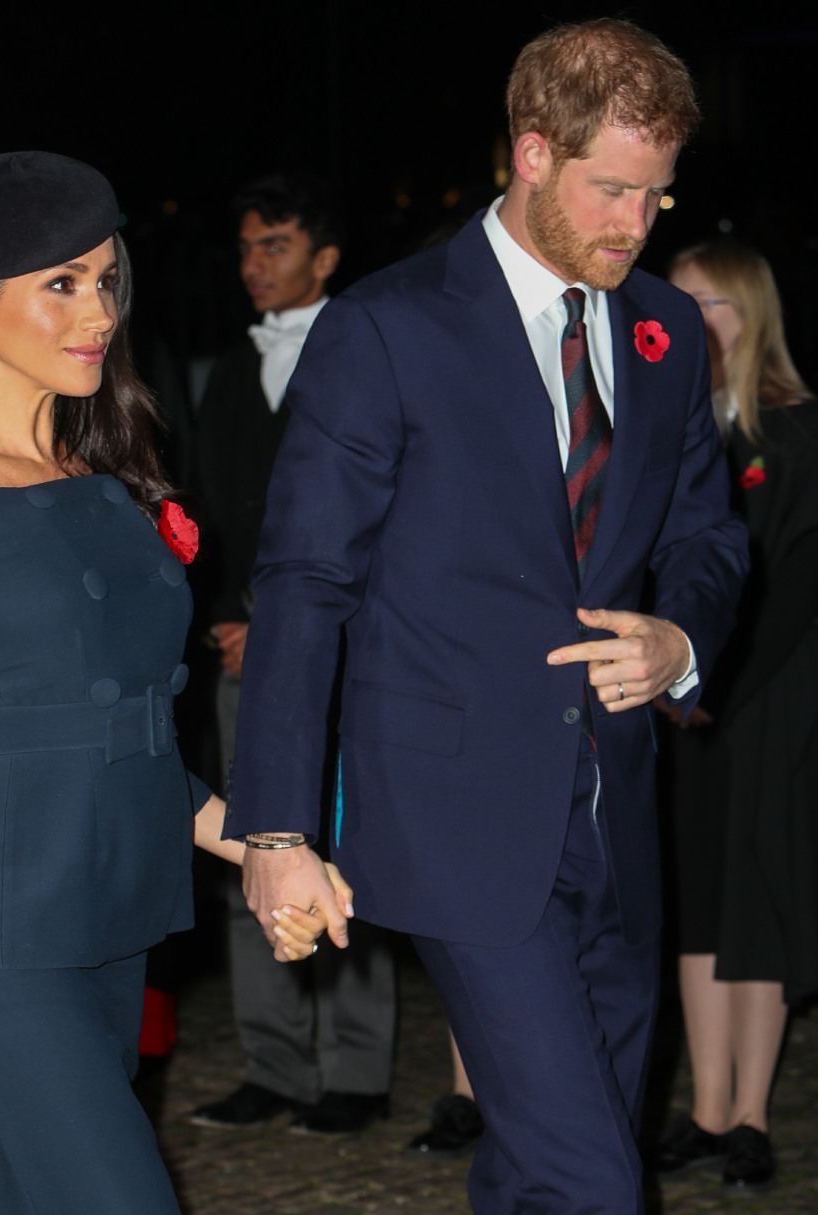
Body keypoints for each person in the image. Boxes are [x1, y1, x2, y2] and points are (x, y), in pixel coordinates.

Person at [224, 20, 751, 1215]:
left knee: (542, 1164)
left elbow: (708, 538)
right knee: (590, 1179)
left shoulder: (664, 335)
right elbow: (305, 580)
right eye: (611, 189)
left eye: (655, 196)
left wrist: (677, 644)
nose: (635, 221)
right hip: (457, 821)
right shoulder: (386, 327)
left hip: (618, 819)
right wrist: (273, 830)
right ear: (528, 152)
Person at [0, 151, 345, 1215]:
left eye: (104, 278)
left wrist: (269, 850)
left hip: (108, 920)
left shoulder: (106, 489)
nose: (96, 309)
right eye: (59, 283)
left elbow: (136, 743)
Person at [190, 174, 397, 1135]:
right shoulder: (226, 369)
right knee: (251, 846)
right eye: (244, 247)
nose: (252, 265)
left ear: (325, 256)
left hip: (344, 654)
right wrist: (226, 620)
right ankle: (273, 1062)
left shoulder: (377, 353)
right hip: (242, 650)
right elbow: (201, 513)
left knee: (343, 851)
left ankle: (356, 1069)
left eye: (273, 244)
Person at [654, 240, 818, 1191]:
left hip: (765, 702)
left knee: (757, 898)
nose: (691, 325)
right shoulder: (672, 430)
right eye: (677, 306)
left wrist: (711, 687)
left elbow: (794, 587)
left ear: (752, 315)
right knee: (697, 904)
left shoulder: (793, 435)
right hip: (683, 706)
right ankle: (706, 1106)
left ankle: (751, 1112)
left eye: (709, 306)